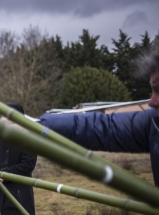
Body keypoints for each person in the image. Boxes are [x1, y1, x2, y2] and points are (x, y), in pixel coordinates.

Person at [39, 42, 159, 186]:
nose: (151, 102)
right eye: (152, 90)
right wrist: (37, 126)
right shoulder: (153, 122)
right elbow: (102, 128)